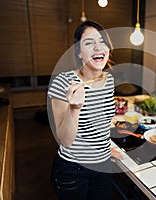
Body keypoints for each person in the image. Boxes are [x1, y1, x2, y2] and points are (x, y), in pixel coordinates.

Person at [47, 21, 121, 200]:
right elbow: (65, 139)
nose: (98, 47)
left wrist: (104, 149)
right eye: (89, 43)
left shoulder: (108, 80)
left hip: (103, 166)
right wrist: (75, 108)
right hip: (74, 171)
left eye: (102, 41)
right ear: (79, 52)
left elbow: (100, 125)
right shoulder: (63, 82)